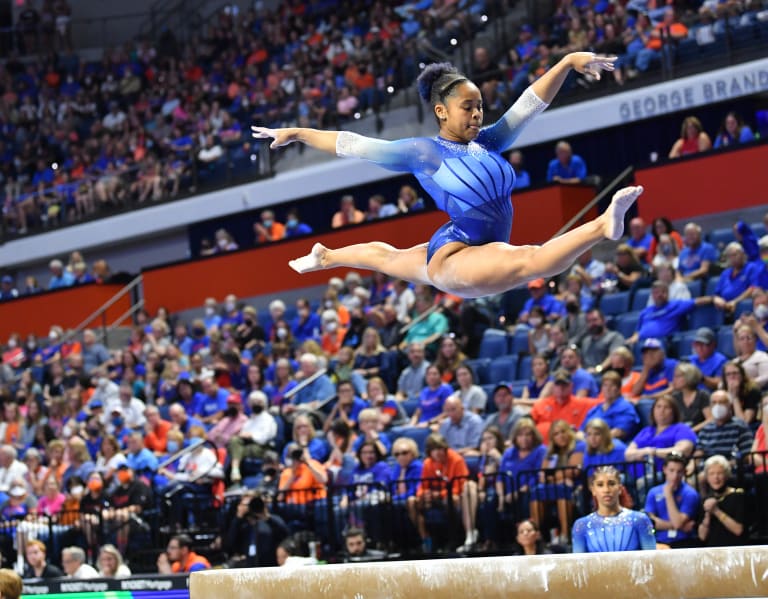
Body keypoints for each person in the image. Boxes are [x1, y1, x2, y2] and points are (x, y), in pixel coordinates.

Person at [254, 53, 643, 300]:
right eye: (467, 108)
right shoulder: (423, 152)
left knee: (387, 257)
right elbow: (355, 143)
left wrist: (566, 62)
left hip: (463, 244)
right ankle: (602, 225)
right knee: (531, 261)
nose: (477, 115)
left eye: (480, 107)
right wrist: (298, 133)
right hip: (456, 256)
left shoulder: (487, 142)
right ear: (441, 111)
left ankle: (327, 256)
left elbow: (530, 105)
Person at [572, 466, 655, 553]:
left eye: (611, 484)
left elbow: (652, 560)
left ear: (620, 488)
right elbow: (578, 564)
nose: (606, 490)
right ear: (593, 490)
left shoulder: (639, 520)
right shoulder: (582, 525)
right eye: (600, 485)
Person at [644, 453, 700, 548]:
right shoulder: (653, 492)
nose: (675, 476)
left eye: (679, 471)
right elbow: (650, 523)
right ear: (664, 469)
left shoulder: (690, 493)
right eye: (671, 470)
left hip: (684, 542)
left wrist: (668, 495)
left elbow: (677, 522)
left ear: (684, 472)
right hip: (659, 542)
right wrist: (678, 526)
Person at [697, 454, 745, 546]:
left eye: (720, 473)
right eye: (712, 473)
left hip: (734, 550)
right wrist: (707, 515)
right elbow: (702, 536)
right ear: (707, 477)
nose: (716, 477)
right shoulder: (706, 500)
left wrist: (716, 511)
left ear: (726, 475)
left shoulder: (737, 496)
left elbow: (738, 530)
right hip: (713, 552)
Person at [693, 390, 753, 461]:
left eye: (721, 402)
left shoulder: (740, 426)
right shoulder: (706, 429)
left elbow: (747, 456)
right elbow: (699, 452)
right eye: (714, 402)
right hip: (708, 468)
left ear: (730, 405)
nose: (717, 406)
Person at [580, 371, 639, 441]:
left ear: (619, 388)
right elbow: (581, 430)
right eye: (605, 385)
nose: (608, 389)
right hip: (588, 443)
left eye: (612, 385)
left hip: (609, 445)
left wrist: (592, 439)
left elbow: (619, 432)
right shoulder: (595, 409)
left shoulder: (625, 407)